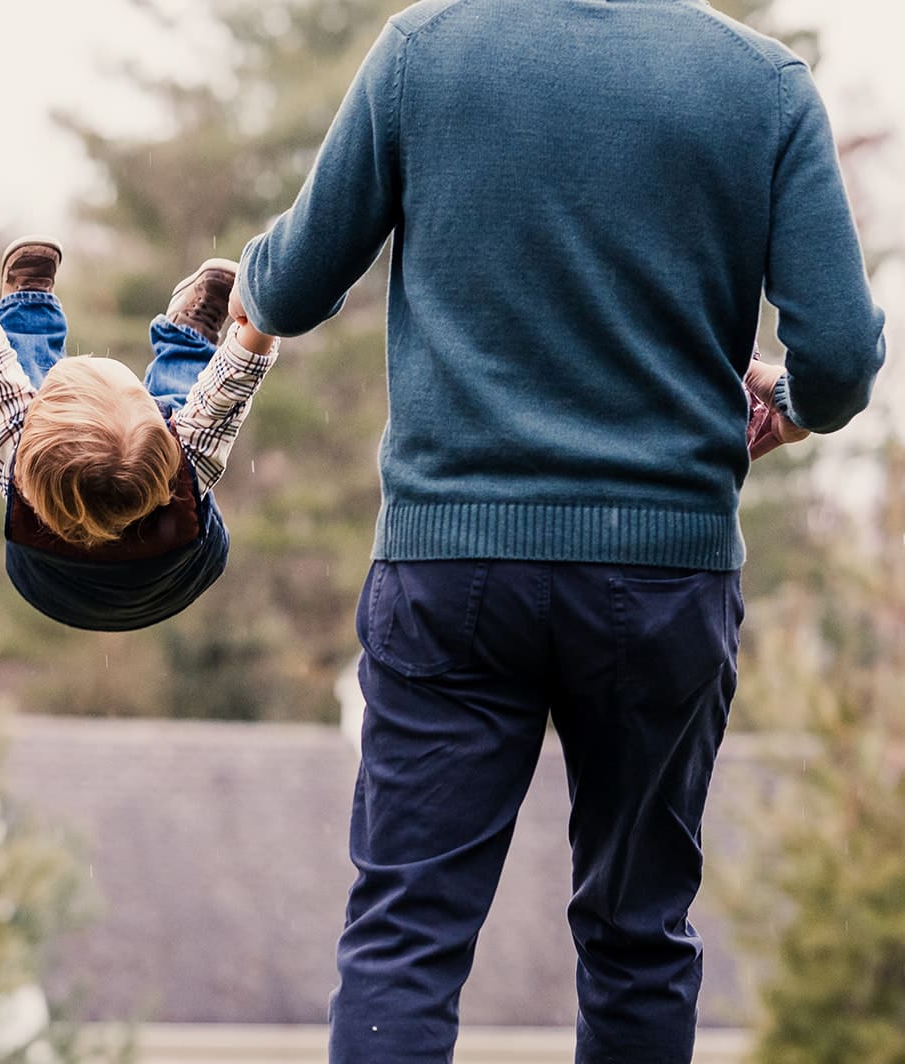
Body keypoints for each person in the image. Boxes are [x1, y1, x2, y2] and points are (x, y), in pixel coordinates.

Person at [229, 1, 886, 1061]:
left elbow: (296, 285)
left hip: (452, 565)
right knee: (636, 938)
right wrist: (794, 403)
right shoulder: (762, 85)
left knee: (405, 935)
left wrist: (244, 282)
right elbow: (842, 358)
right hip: (664, 573)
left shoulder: (423, 52)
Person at [0, 239, 278, 631]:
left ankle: (28, 308)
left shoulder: (14, 453)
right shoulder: (187, 461)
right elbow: (231, 383)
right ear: (169, 452)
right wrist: (263, 302)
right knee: (184, 399)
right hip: (175, 579)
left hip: (53, 587)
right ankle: (189, 340)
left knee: (25, 378)